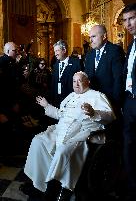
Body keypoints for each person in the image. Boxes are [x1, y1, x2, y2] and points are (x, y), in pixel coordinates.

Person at [22, 71, 115, 201]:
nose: (76, 84)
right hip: (60, 130)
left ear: (87, 82)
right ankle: (38, 183)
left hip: (81, 133)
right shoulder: (71, 96)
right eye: (74, 81)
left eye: (79, 81)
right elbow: (60, 115)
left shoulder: (97, 96)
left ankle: (54, 189)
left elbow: (110, 116)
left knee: (62, 151)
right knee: (38, 141)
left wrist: (93, 112)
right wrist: (47, 106)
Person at [84, 25, 126, 141]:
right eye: (89, 37)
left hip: (110, 103)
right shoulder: (90, 54)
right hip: (93, 103)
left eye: (93, 36)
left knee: (112, 138)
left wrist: (116, 104)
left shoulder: (115, 51)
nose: (90, 40)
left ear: (104, 36)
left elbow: (119, 80)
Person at [121, 3, 136, 201]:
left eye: (131, 18)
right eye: (124, 20)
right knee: (130, 147)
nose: (128, 24)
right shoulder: (131, 44)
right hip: (130, 103)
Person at [50, 39, 81, 108]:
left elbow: (80, 83)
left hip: (71, 102)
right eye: (55, 51)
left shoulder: (76, 63)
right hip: (57, 101)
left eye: (57, 51)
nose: (55, 54)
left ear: (64, 50)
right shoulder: (55, 65)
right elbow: (53, 84)